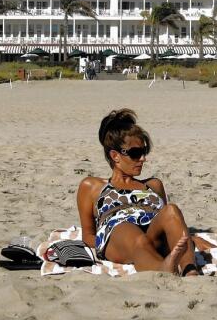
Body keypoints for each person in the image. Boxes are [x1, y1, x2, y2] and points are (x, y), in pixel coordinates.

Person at [76, 109, 200, 276]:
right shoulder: (92, 186)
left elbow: (167, 222)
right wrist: (109, 245)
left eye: (144, 152)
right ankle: (162, 269)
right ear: (115, 156)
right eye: (135, 153)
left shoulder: (154, 185)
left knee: (171, 210)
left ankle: (190, 270)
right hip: (119, 235)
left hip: (154, 236)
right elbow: (88, 235)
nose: (143, 158)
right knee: (130, 231)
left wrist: (187, 237)